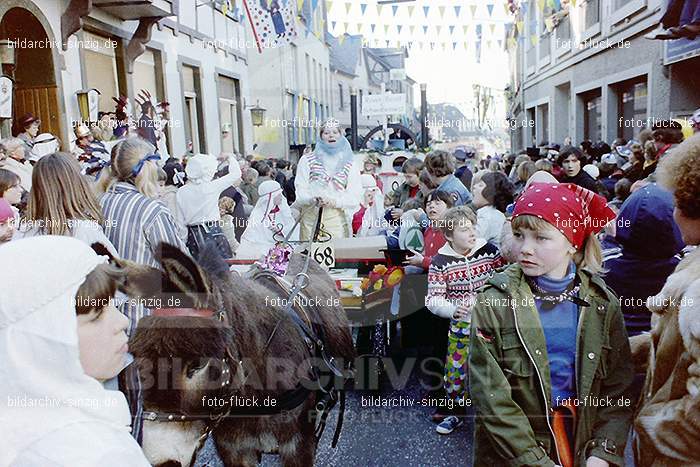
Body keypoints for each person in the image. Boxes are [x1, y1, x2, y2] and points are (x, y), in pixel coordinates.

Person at [470, 181, 634, 467]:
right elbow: (491, 397)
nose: (525, 248)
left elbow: (618, 386)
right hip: (514, 453)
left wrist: (602, 452)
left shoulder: (603, 303)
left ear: (573, 242)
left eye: (541, 238)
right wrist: (535, 461)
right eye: (519, 235)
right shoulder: (495, 301)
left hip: (580, 445)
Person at [0, 236, 149, 466]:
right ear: (42, 339)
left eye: (113, 306)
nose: (123, 322)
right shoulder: (98, 453)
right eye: (97, 316)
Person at [96, 137, 186, 441]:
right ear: (147, 168)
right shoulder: (152, 211)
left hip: (98, 317)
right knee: (138, 408)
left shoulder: (97, 203)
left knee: (107, 408)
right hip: (143, 323)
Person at [632, 133, 700, 466]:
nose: (672, 214)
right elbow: (682, 350)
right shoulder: (694, 260)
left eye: (677, 203)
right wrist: (637, 350)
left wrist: (649, 423)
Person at [426, 206, 504, 435]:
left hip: (491, 322)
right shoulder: (440, 261)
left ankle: (495, 417)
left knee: (494, 369)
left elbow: (505, 277)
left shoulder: (489, 251)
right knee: (456, 372)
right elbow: (433, 299)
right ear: (448, 235)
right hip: (461, 325)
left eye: (472, 227)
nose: (471, 233)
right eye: (463, 229)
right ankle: (456, 414)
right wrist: (451, 309)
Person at [15, 153, 118, 256]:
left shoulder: (22, 230)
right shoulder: (85, 230)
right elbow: (115, 267)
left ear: (36, 189)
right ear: (76, 185)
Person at [294, 119, 362, 241]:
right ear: (320, 136)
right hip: (310, 216)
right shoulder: (307, 160)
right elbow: (300, 189)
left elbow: (355, 195)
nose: (331, 135)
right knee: (309, 256)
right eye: (326, 132)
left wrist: (334, 202)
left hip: (336, 218)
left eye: (335, 132)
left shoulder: (350, 163)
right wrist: (312, 199)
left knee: (337, 254)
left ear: (341, 135)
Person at [176, 152, 242, 259]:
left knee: (200, 272)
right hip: (214, 231)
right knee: (223, 269)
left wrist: (183, 244)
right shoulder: (211, 187)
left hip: (193, 236)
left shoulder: (181, 192)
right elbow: (236, 174)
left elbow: (180, 222)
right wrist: (230, 158)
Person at [236, 180, 297, 259]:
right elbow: (255, 238)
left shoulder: (283, 210)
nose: (281, 197)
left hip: (283, 245)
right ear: (270, 197)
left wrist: (281, 231)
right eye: (278, 195)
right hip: (264, 249)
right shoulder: (258, 214)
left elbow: (292, 228)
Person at [471, 171, 515, 248]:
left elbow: (469, 242)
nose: (474, 186)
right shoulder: (496, 214)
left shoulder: (487, 216)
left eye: (481, 185)